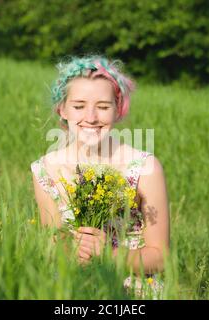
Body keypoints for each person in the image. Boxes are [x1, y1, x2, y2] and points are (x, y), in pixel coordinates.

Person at [30, 55, 170, 298]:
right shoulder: (45, 169)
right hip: (69, 286)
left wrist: (110, 256)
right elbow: (53, 244)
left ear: (118, 109)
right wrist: (71, 251)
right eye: (79, 106)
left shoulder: (146, 167)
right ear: (62, 109)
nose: (91, 117)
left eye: (103, 107)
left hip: (131, 289)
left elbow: (160, 257)